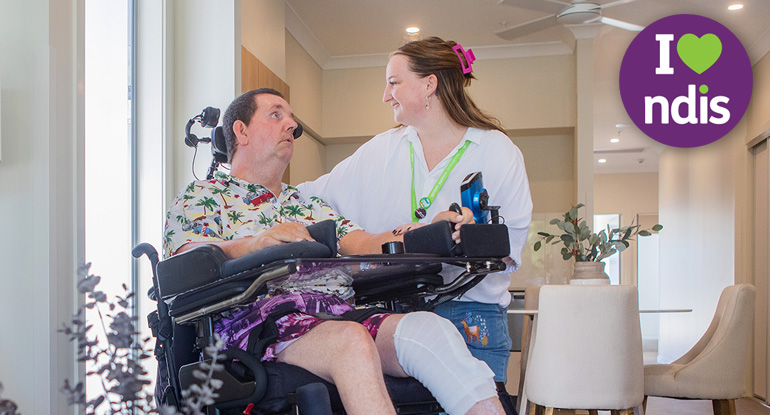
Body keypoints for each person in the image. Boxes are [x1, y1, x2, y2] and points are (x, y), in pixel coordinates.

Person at [163, 88, 505, 415]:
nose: (292, 125)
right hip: (258, 326)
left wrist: (433, 230)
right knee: (351, 343)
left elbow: (366, 243)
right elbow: (188, 262)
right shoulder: (203, 197)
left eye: (292, 118)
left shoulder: (311, 204)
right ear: (241, 131)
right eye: (276, 115)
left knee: (432, 331)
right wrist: (255, 243)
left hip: (336, 314)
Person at [298, 37, 533, 403]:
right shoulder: (382, 150)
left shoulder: (496, 150)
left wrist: (468, 235)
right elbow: (309, 196)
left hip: (469, 316)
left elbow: (509, 248)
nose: (385, 95)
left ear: (429, 84)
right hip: (394, 319)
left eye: (393, 82)